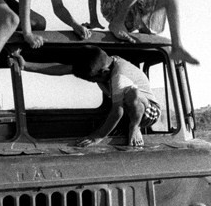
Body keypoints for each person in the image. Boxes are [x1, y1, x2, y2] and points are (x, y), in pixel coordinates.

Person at [12, 46, 160, 147]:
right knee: (126, 95)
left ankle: (134, 128)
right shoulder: (106, 62)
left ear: (103, 73)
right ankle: (129, 125)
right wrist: (26, 66)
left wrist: (98, 136)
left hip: (148, 112)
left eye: (92, 80)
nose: (92, 82)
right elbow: (62, 69)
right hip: (128, 110)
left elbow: (117, 112)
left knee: (131, 93)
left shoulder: (120, 75)